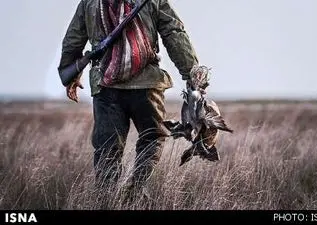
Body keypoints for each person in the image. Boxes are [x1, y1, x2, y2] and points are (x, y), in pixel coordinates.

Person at [58, 0, 206, 201]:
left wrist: (71, 72)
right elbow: (173, 33)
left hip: (106, 87)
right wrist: (191, 72)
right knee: (152, 138)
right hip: (147, 86)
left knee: (107, 148)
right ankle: (136, 192)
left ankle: (108, 201)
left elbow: (73, 39)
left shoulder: (90, 3)